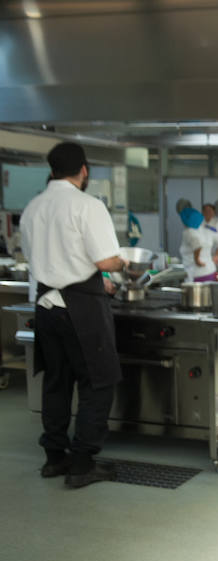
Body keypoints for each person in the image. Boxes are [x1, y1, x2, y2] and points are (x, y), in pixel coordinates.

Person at [20, 142, 128, 489]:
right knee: (99, 383)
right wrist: (122, 261)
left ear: (52, 171)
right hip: (81, 309)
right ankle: (82, 463)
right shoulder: (88, 206)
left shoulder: (32, 208)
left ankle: (55, 458)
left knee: (56, 381)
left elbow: (43, 259)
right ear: (83, 170)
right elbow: (105, 261)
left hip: (46, 306)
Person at [178, 206, 218, 282]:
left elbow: (197, 245)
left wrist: (197, 260)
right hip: (210, 270)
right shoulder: (206, 229)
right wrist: (216, 256)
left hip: (196, 272)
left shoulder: (189, 231)